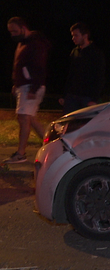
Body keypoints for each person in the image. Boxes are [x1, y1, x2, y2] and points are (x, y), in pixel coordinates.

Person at [3, 17, 50, 164]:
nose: (13, 34)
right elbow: (20, 66)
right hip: (24, 85)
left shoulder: (36, 44)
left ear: (23, 28)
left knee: (23, 118)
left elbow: (39, 68)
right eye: (10, 32)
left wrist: (33, 88)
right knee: (30, 118)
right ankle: (51, 145)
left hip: (31, 87)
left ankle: (20, 154)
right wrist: (16, 83)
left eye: (15, 31)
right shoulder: (22, 43)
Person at [59, 22, 105, 115]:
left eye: (76, 35)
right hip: (72, 96)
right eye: (72, 36)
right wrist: (64, 95)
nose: (73, 38)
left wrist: (94, 99)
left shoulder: (96, 53)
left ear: (85, 36)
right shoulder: (75, 52)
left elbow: (99, 77)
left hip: (87, 97)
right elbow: (70, 74)